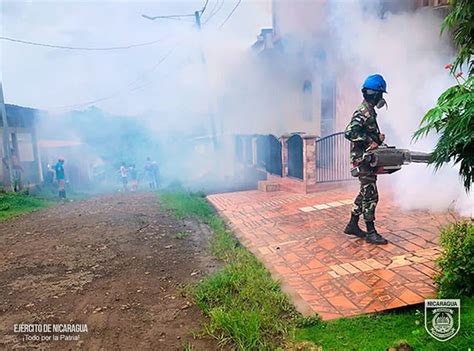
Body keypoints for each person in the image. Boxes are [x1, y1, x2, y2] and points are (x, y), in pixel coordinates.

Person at [343, 74, 389, 245]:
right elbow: (349, 132)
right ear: (376, 94)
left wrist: (377, 138)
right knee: (371, 195)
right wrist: (370, 141)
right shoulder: (363, 112)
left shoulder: (369, 111)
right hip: (362, 160)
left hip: (365, 159)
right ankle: (371, 232)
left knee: (364, 193)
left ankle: (352, 225)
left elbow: (364, 131)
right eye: (381, 94)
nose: (382, 98)